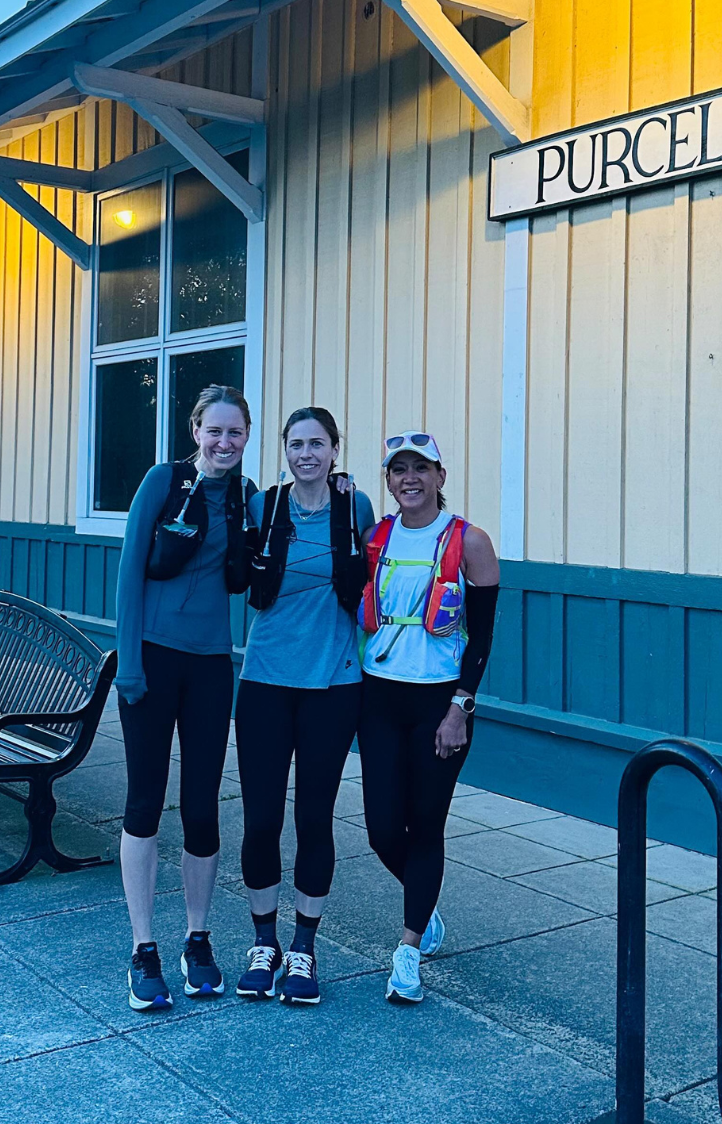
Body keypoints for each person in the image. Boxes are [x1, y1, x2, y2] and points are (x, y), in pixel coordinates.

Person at [114, 384, 256, 1011]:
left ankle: (197, 938)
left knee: (201, 807)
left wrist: (340, 490)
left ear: (247, 438)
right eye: (215, 430)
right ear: (195, 431)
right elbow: (127, 576)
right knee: (145, 802)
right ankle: (143, 947)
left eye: (236, 433)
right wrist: (130, 667)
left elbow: (290, 537)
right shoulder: (162, 481)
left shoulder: (250, 500)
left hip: (210, 667)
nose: (224, 443)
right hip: (152, 658)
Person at [235, 408, 374, 1005]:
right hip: (265, 680)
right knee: (262, 817)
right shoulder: (263, 509)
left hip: (334, 685)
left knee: (314, 818)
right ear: (284, 452)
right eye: (296, 444)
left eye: (317, 444)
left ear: (336, 450)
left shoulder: (355, 508)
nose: (307, 454)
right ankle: (263, 942)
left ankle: (303, 949)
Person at [358, 430, 499, 1005]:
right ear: (387, 481)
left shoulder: (470, 541)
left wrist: (460, 706)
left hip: (440, 703)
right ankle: (428, 904)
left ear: (441, 477)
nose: (409, 479)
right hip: (379, 696)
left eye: (421, 468)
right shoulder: (376, 538)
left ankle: (409, 949)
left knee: (426, 823)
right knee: (382, 829)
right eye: (398, 470)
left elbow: (483, 634)